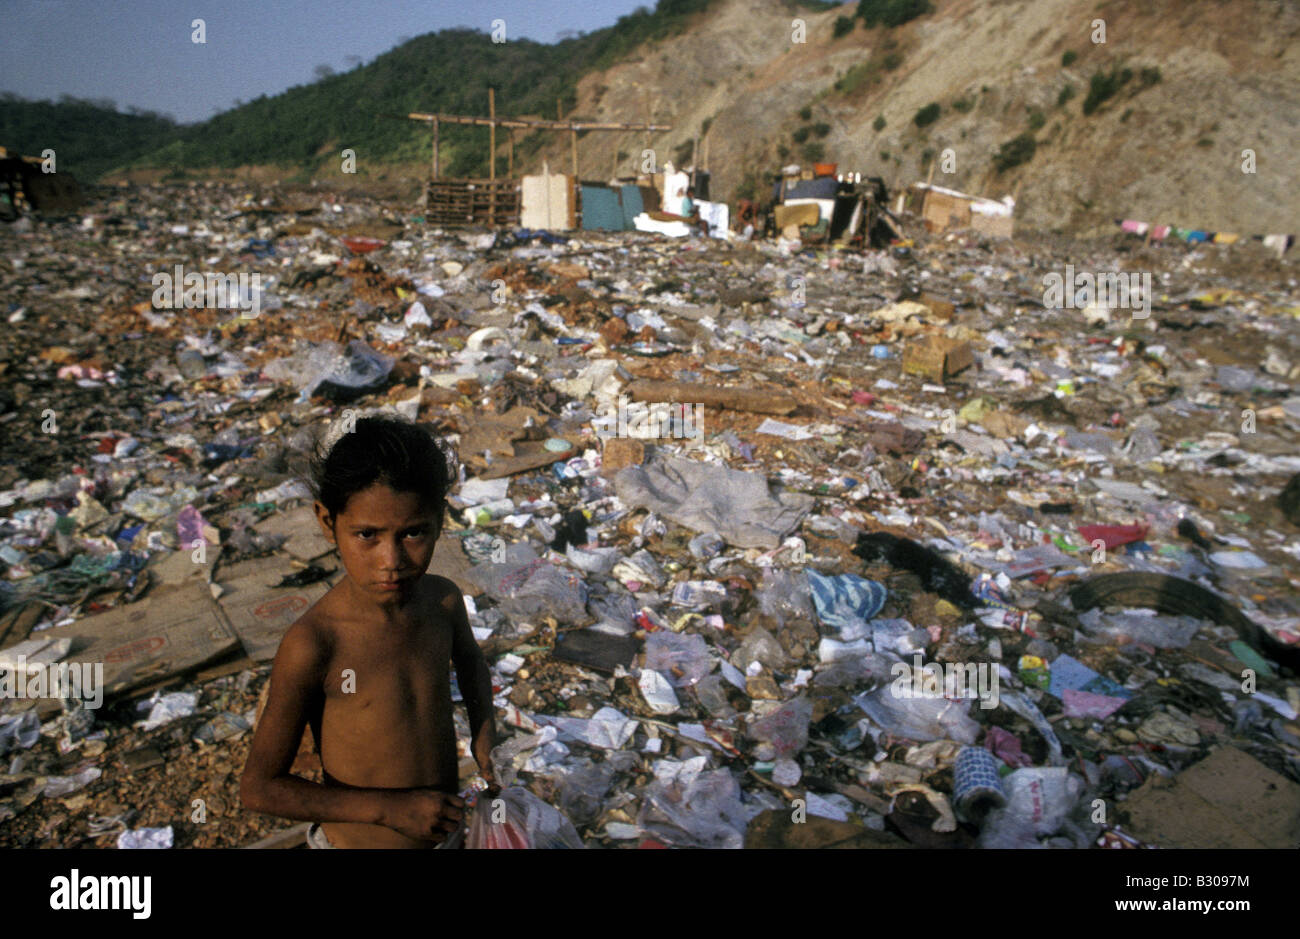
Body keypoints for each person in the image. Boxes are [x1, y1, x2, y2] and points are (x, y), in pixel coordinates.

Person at [240, 415, 497, 848]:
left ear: (440, 520)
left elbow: (470, 663)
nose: (391, 559)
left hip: (444, 838)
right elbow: (260, 788)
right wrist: (389, 810)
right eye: (367, 535)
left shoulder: (443, 602)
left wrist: (483, 737)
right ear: (327, 522)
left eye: (414, 532)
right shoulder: (317, 642)